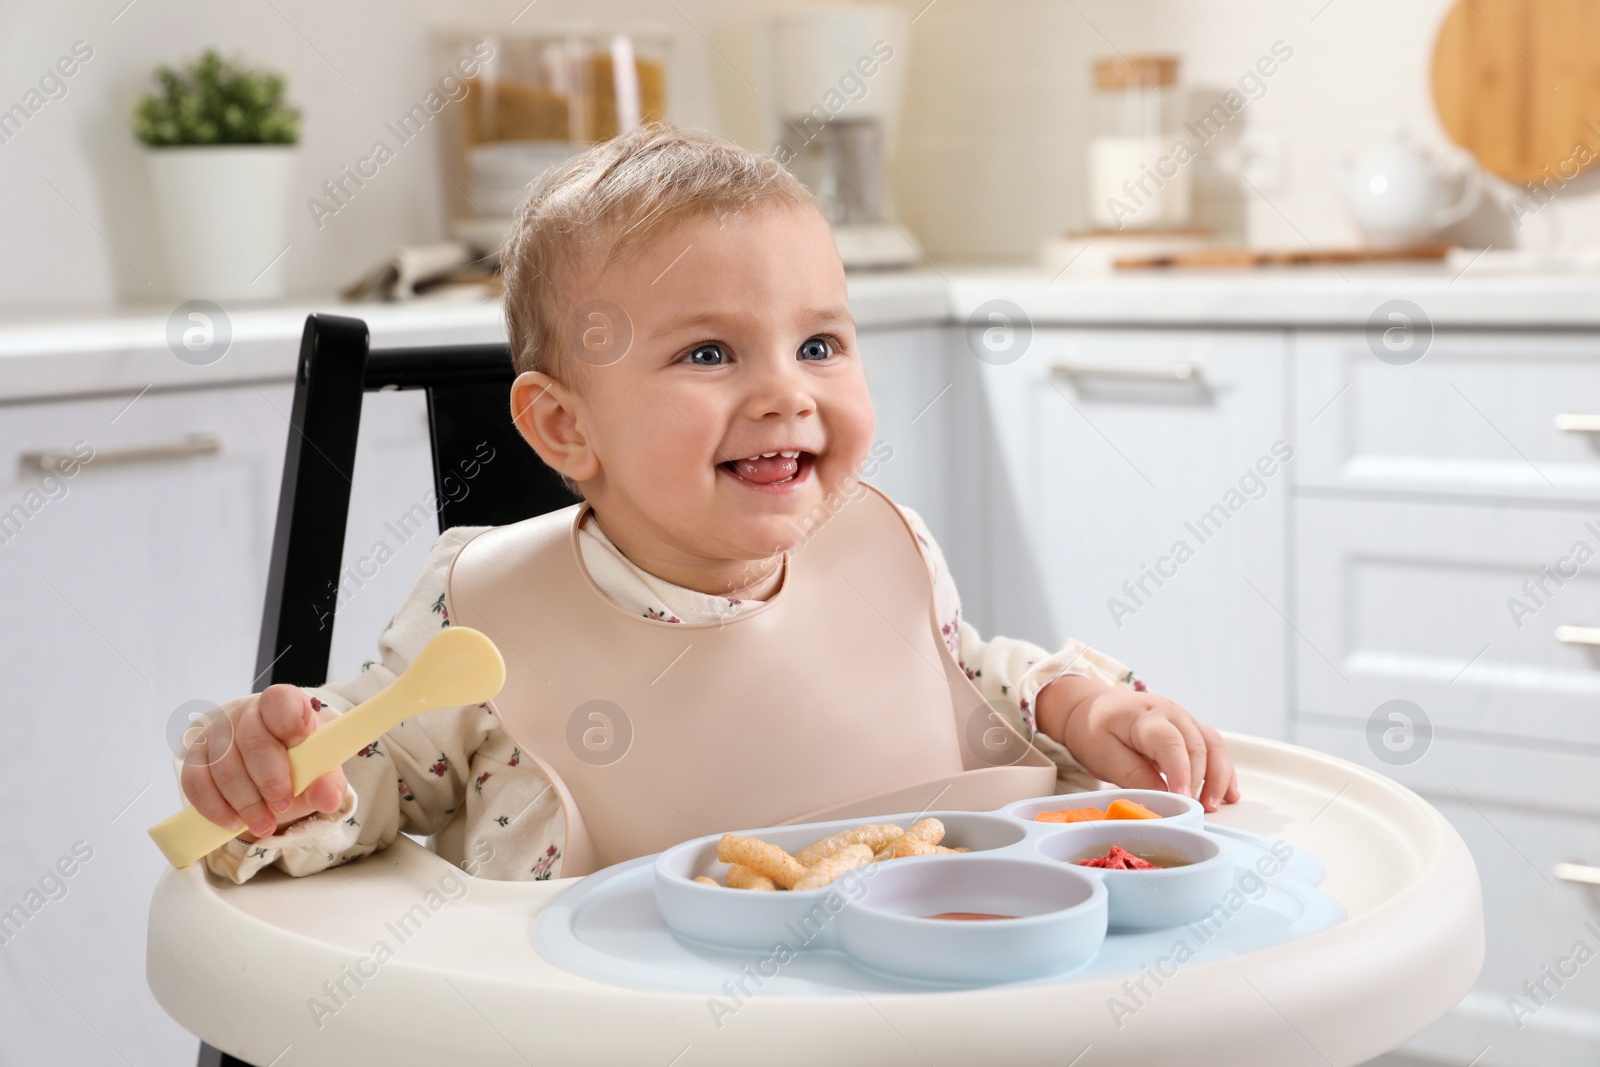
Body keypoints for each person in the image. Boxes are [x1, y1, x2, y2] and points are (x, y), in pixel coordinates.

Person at [178, 123, 1238, 884]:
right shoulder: (478, 618)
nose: (787, 392)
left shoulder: (883, 546)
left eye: (819, 343)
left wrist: (1084, 709)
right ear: (563, 427)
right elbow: (381, 774)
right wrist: (289, 772)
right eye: (708, 352)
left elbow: (968, 679)